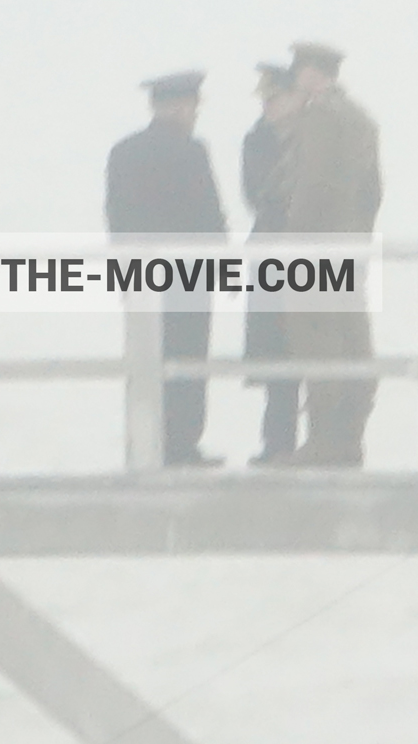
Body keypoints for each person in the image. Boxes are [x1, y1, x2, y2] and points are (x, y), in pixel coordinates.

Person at [105, 70, 227, 467]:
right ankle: (181, 447)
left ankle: (143, 443)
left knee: (143, 363)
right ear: (179, 106)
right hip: (189, 278)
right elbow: (210, 219)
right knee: (188, 362)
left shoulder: (123, 151)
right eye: (191, 106)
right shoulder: (192, 152)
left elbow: (117, 218)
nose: (193, 114)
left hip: (140, 278)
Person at [278, 40, 383, 465]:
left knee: (318, 342)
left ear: (310, 74)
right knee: (353, 342)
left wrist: (293, 240)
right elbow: (374, 190)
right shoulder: (361, 117)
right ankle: (350, 440)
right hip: (351, 243)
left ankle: (322, 443)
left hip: (316, 245)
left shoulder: (319, 115)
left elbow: (313, 184)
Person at [241, 61, 304, 464]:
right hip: (270, 250)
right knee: (275, 353)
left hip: (309, 251)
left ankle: (315, 442)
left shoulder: (316, 136)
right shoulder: (257, 140)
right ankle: (277, 443)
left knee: (313, 349)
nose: (267, 106)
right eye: (264, 99)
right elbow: (257, 193)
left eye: (274, 98)